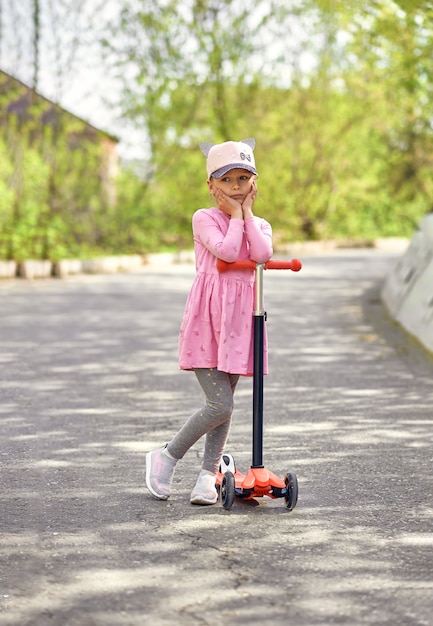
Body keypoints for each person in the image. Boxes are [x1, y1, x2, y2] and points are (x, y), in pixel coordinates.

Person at [145, 138, 273, 505]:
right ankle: (167, 456)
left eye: (242, 179)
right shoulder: (203, 218)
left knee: (225, 402)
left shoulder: (260, 224)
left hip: (241, 322)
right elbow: (229, 251)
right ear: (211, 185)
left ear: (253, 182)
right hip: (208, 321)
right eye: (227, 180)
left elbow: (262, 254)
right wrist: (234, 217)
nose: (235, 187)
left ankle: (207, 476)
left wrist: (247, 216)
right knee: (220, 405)